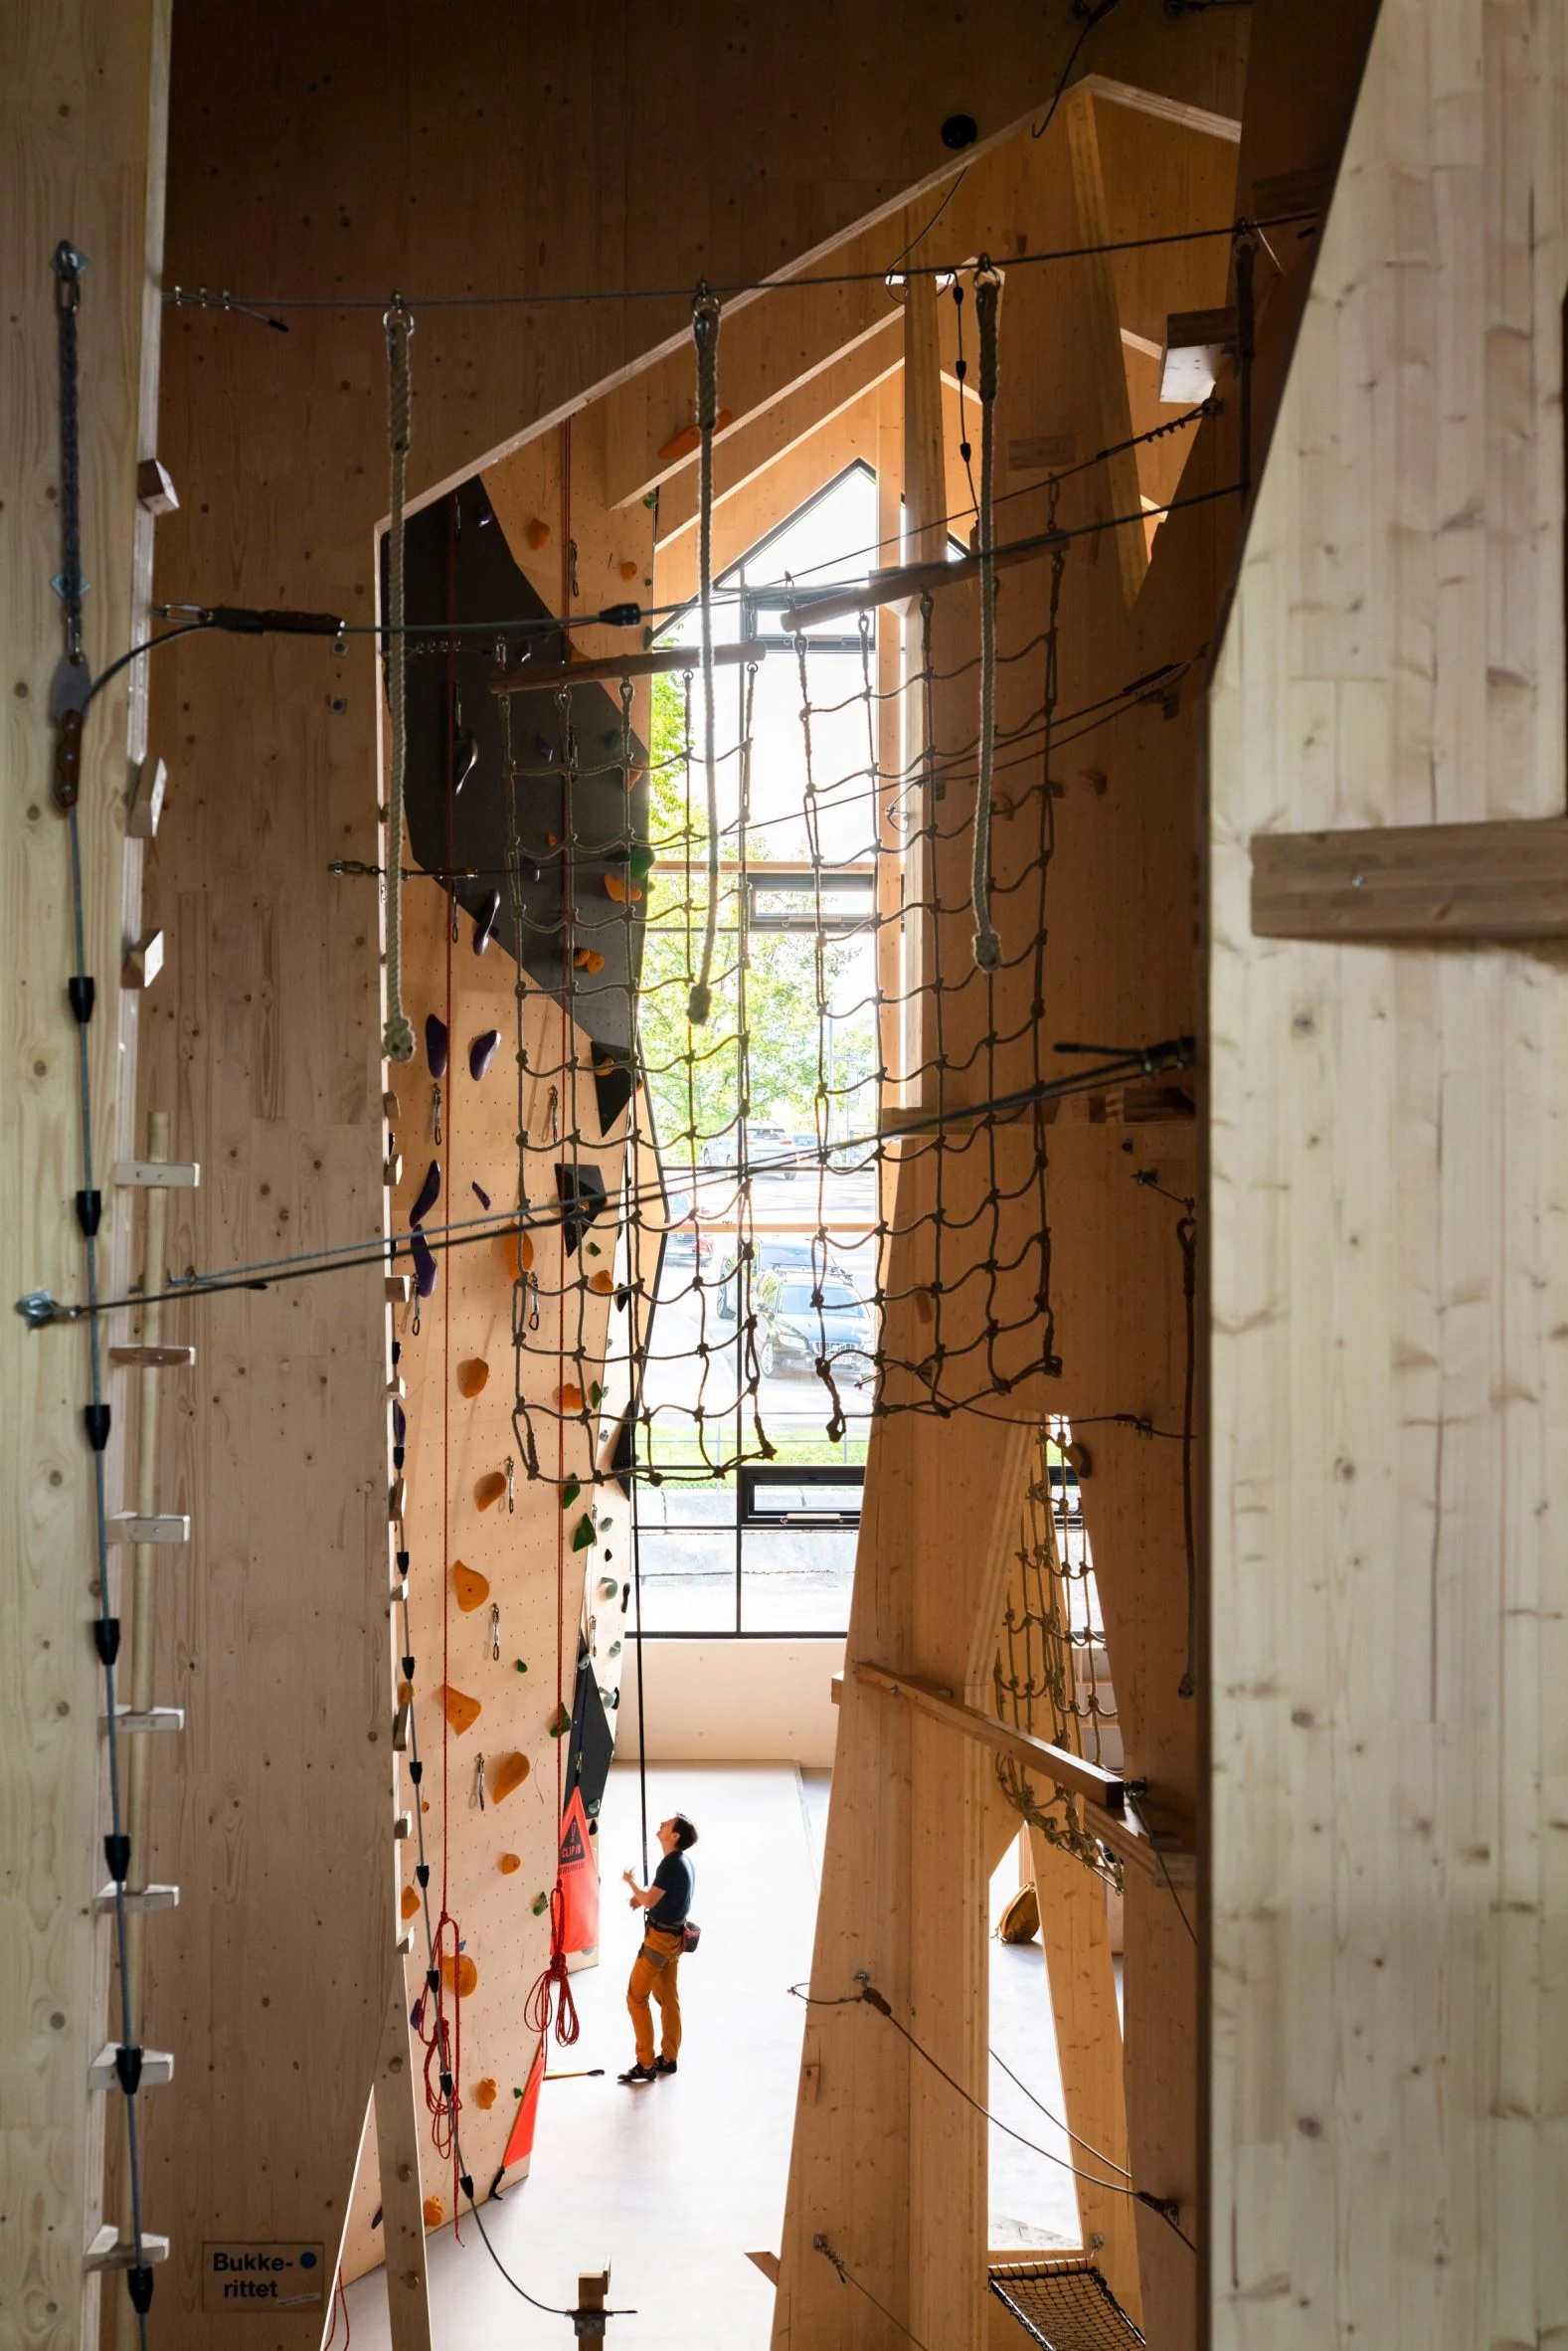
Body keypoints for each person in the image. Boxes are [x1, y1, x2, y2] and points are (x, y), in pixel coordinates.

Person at [617, 1813, 698, 2083]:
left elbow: (652, 1900)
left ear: (674, 1836)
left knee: (636, 1998)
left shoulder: (670, 1866)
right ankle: (669, 2057)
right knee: (667, 1998)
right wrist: (640, 1900)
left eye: (668, 1824)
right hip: (674, 1941)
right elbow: (663, 1897)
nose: (663, 1823)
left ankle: (646, 2063)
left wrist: (630, 1883)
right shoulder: (681, 1862)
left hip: (658, 1942)